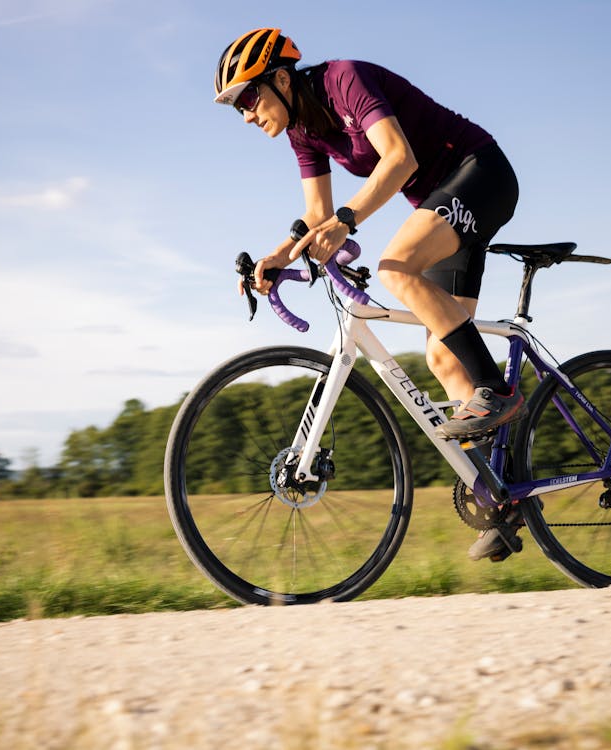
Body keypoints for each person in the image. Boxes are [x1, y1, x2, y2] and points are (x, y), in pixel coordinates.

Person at [215, 28, 525, 562]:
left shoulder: (344, 80)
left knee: (395, 267)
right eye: (238, 106)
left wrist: (349, 219)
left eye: (250, 97)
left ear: (282, 80)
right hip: (440, 201)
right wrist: (275, 258)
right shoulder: (303, 131)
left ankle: (500, 390)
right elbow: (315, 217)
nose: (246, 114)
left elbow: (398, 158)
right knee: (444, 358)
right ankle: (508, 494)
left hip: (480, 173)